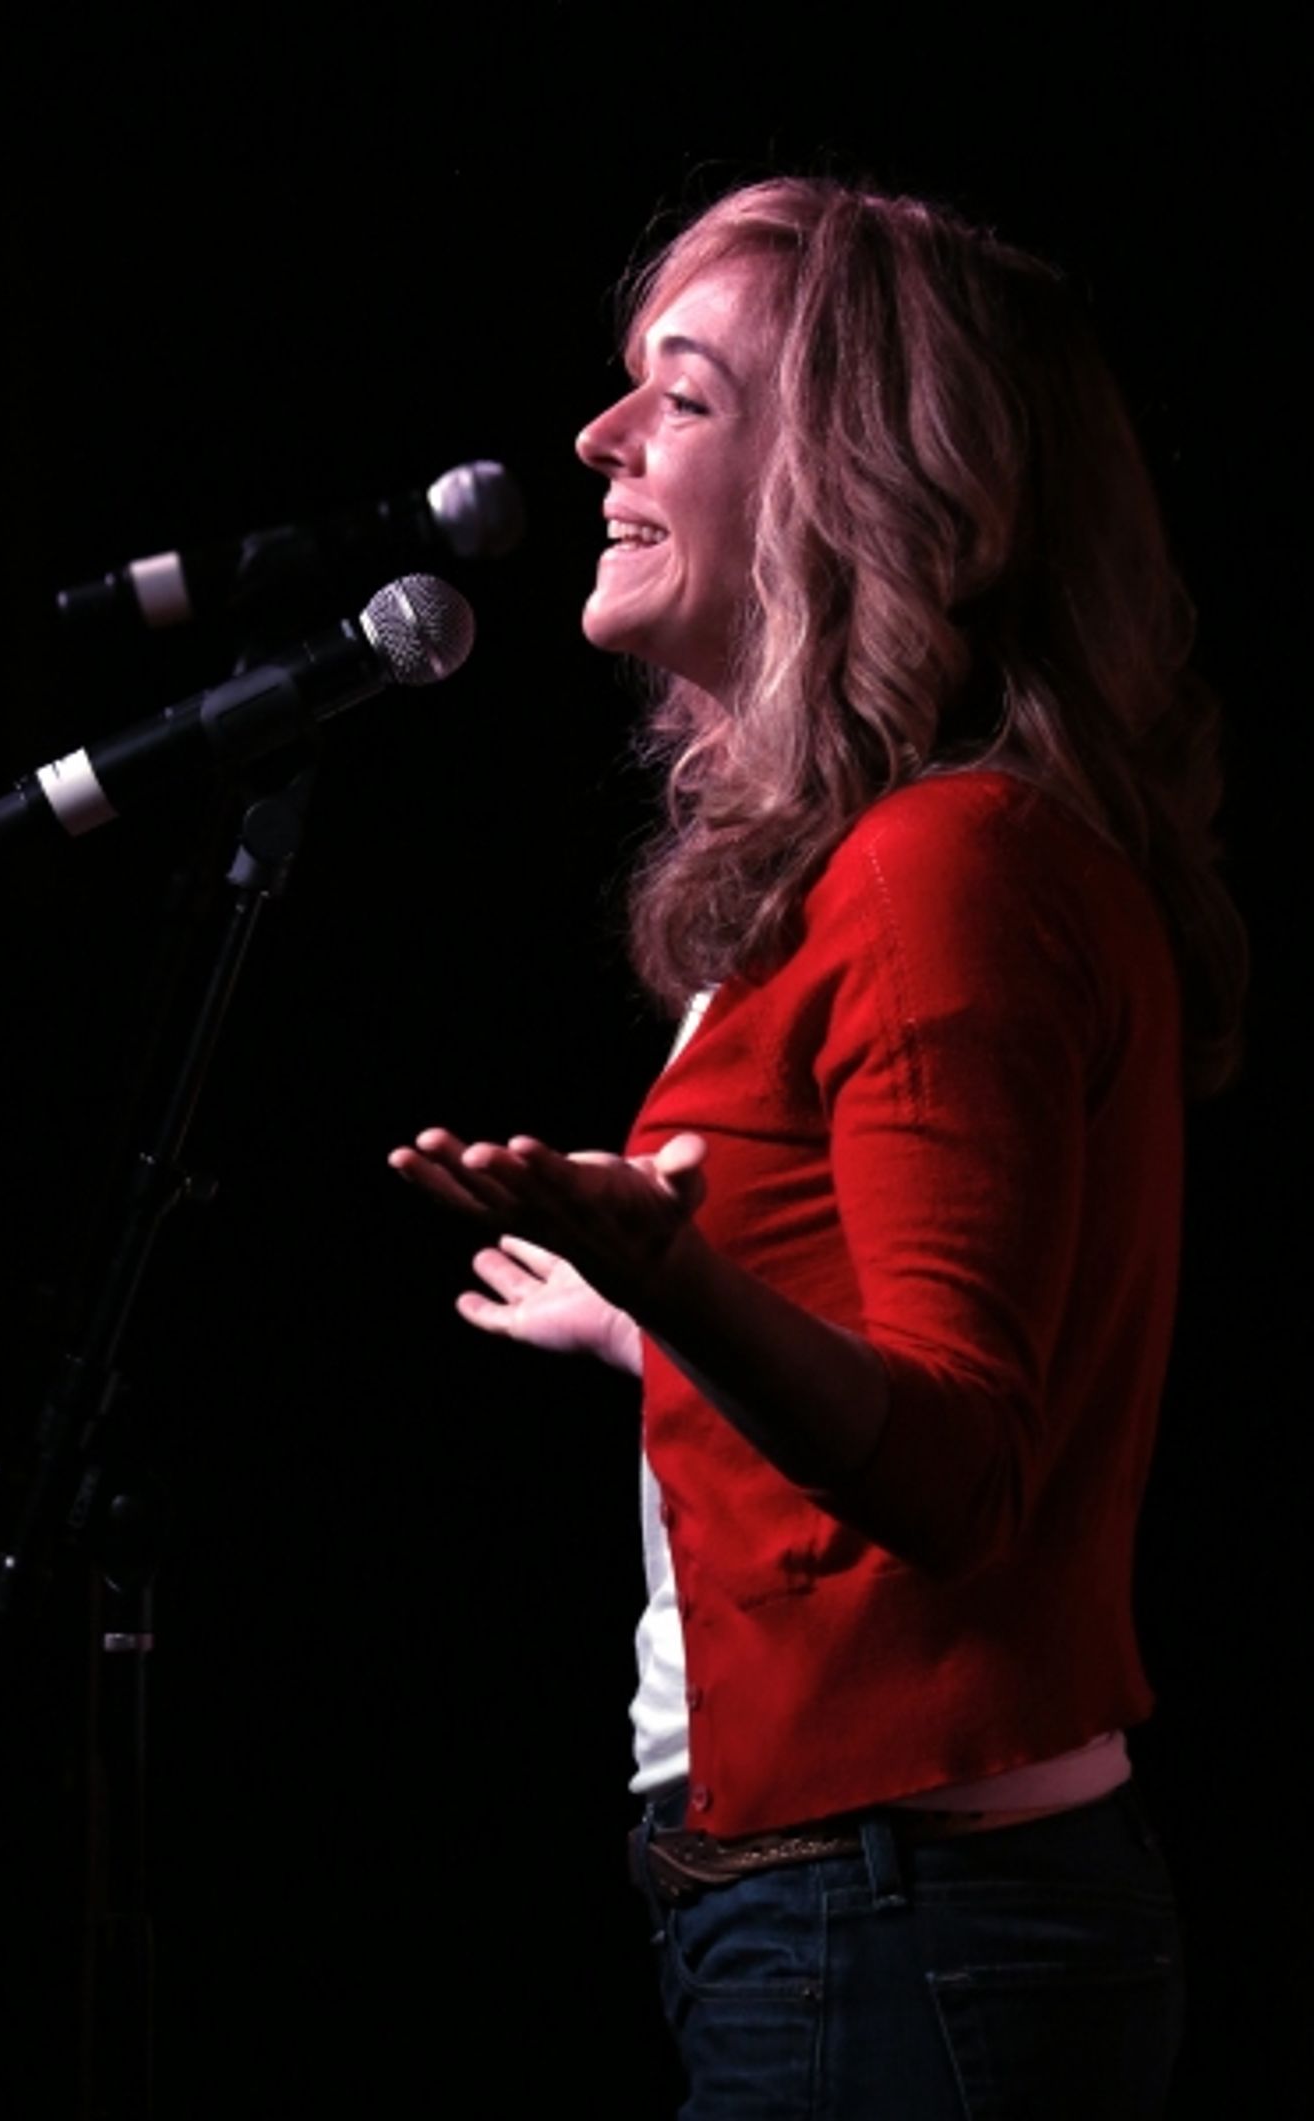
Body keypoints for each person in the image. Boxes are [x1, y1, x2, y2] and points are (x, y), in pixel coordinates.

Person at [389, 175, 1246, 2118]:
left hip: (898, 1921)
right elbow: (894, 1338)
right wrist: (655, 1324)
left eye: (682, 396)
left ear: (856, 488)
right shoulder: (904, 857)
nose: (598, 438)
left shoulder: (946, 867)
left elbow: (958, 1466)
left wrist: (675, 1276)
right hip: (867, 1911)